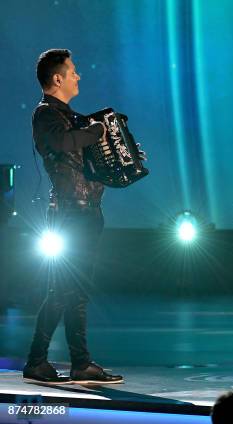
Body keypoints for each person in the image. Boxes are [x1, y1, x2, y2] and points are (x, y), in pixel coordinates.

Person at [23, 49, 125, 384]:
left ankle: (72, 363)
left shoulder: (72, 116)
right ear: (57, 78)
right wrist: (97, 133)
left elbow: (88, 153)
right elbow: (64, 141)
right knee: (65, 291)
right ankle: (48, 361)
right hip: (68, 215)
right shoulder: (45, 115)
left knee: (73, 291)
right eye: (73, 72)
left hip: (86, 213)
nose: (78, 76)